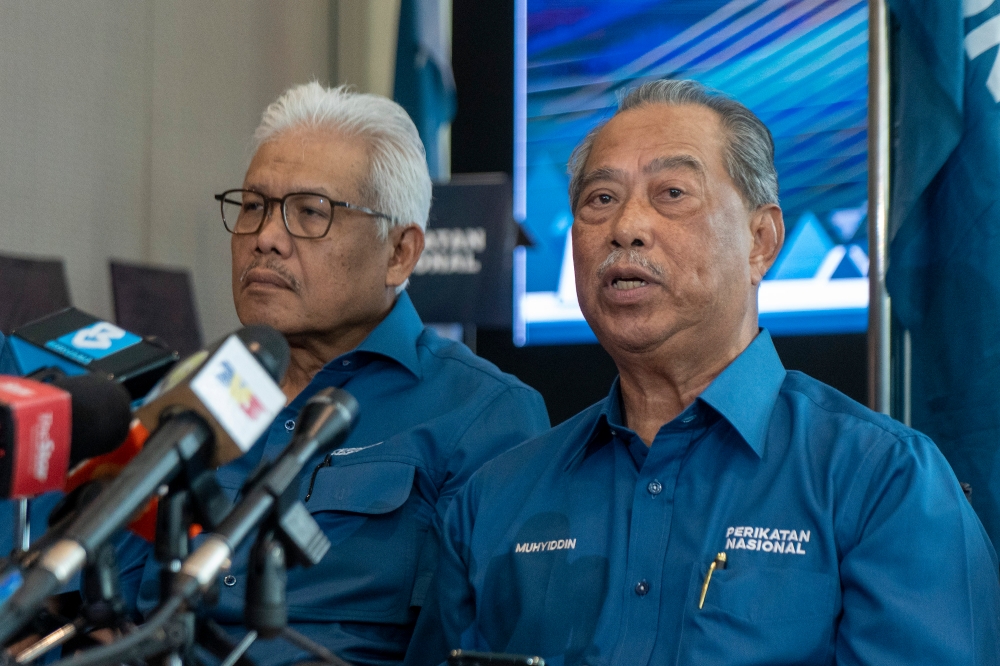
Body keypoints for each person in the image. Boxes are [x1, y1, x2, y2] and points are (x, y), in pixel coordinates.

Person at [404, 79, 1000, 665]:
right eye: (600, 199)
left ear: (761, 242)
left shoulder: (882, 482)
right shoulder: (494, 500)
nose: (626, 227)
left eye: (672, 193)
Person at [115, 82, 550, 666]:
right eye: (253, 207)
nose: (266, 239)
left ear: (399, 252)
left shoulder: (482, 415)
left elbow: (466, 644)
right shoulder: (185, 397)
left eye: (310, 213)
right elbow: (103, 613)